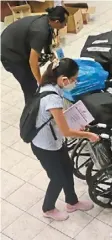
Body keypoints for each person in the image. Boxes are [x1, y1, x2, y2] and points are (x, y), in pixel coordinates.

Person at [31, 58, 100, 221]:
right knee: (57, 178)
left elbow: (56, 119)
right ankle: (48, 208)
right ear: (64, 79)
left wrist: (75, 123)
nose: (75, 82)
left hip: (55, 140)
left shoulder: (50, 86)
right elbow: (66, 131)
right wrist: (89, 135)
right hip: (45, 146)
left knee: (68, 170)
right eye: (74, 79)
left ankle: (72, 202)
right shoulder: (52, 98)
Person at [0, 6, 69, 103]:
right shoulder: (40, 31)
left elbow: (47, 42)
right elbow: (33, 62)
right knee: (31, 86)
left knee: (34, 68)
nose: (65, 25)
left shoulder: (47, 21)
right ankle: (30, 113)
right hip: (10, 52)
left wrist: (51, 56)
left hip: (17, 43)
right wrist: (41, 82)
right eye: (64, 23)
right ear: (57, 21)